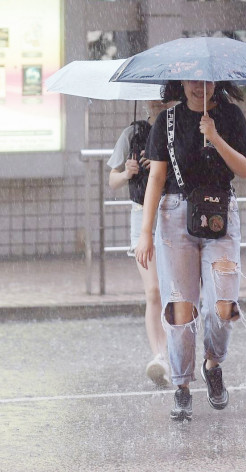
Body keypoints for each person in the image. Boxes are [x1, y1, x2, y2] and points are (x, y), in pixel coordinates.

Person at [135, 79, 246, 421]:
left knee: (223, 304)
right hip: (175, 215)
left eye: (206, 80)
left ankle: (213, 364)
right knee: (180, 307)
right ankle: (181, 386)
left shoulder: (231, 116)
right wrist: (145, 232)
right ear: (181, 82)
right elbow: (156, 179)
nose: (198, 87)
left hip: (221, 214)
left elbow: (244, 169)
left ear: (216, 81)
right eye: (192, 79)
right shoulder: (167, 121)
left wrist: (215, 136)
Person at [107, 99, 176, 387]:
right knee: (153, 291)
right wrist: (128, 172)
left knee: (175, 292)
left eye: (165, 96)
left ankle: (177, 355)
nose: (158, 102)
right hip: (140, 217)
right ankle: (159, 356)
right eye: (154, 98)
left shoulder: (177, 130)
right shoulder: (132, 133)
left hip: (172, 213)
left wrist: (163, 164)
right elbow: (113, 179)